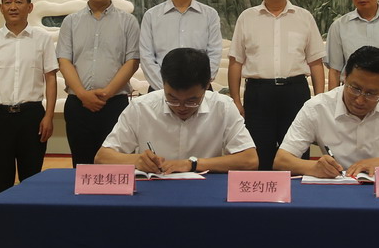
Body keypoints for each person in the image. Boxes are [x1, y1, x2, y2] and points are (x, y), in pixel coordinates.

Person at [274, 46, 379, 177]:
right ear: (345, 77)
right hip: (337, 189)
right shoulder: (317, 107)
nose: (360, 100)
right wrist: (313, 167)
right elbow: (281, 161)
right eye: (355, 88)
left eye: (371, 94)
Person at [228, 0, 325, 170]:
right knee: (259, 155)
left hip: (295, 93)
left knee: (297, 155)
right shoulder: (247, 17)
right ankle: (262, 191)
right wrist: (236, 99)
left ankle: (297, 191)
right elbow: (236, 62)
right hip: (258, 95)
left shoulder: (304, 17)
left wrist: (318, 100)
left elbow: (316, 62)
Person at [96, 48, 258, 173]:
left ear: (207, 86)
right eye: (172, 99)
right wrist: (136, 160)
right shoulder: (141, 108)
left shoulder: (223, 107)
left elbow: (250, 160)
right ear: (163, 84)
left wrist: (192, 164)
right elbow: (102, 157)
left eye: (191, 101)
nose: (181, 107)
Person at [0, 0, 58, 195]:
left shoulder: (43, 40)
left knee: (32, 179)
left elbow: (50, 79)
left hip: (32, 117)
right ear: (1, 8)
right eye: (8, 2)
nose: (13, 7)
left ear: (30, 7)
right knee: (2, 179)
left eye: (18, 2)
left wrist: (48, 116)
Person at [56, 0, 140, 166]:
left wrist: (107, 93)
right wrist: (83, 94)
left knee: (116, 164)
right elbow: (64, 61)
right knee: (82, 164)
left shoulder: (128, 21)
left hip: (115, 104)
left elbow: (132, 61)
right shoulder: (71, 22)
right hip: (78, 104)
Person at [139, 0, 222, 91]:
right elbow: (146, 57)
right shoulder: (151, 16)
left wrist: (197, 87)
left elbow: (214, 54)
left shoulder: (210, 15)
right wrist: (167, 89)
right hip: (160, 90)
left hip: (200, 91)